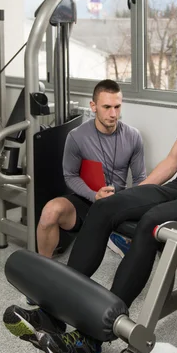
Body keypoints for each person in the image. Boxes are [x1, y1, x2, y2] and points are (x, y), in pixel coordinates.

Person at [3, 40, 177, 353]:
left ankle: (89, 343)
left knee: (152, 222)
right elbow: (173, 161)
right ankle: (53, 313)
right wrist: (132, 197)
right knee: (107, 208)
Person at [35, 79, 146, 257]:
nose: (113, 113)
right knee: (50, 212)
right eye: (107, 107)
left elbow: (141, 179)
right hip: (87, 200)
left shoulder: (133, 136)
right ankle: (42, 265)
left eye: (117, 107)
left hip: (119, 203)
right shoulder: (76, 136)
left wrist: (136, 209)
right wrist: (94, 195)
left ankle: (116, 235)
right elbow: (70, 175)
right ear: (93, 106)